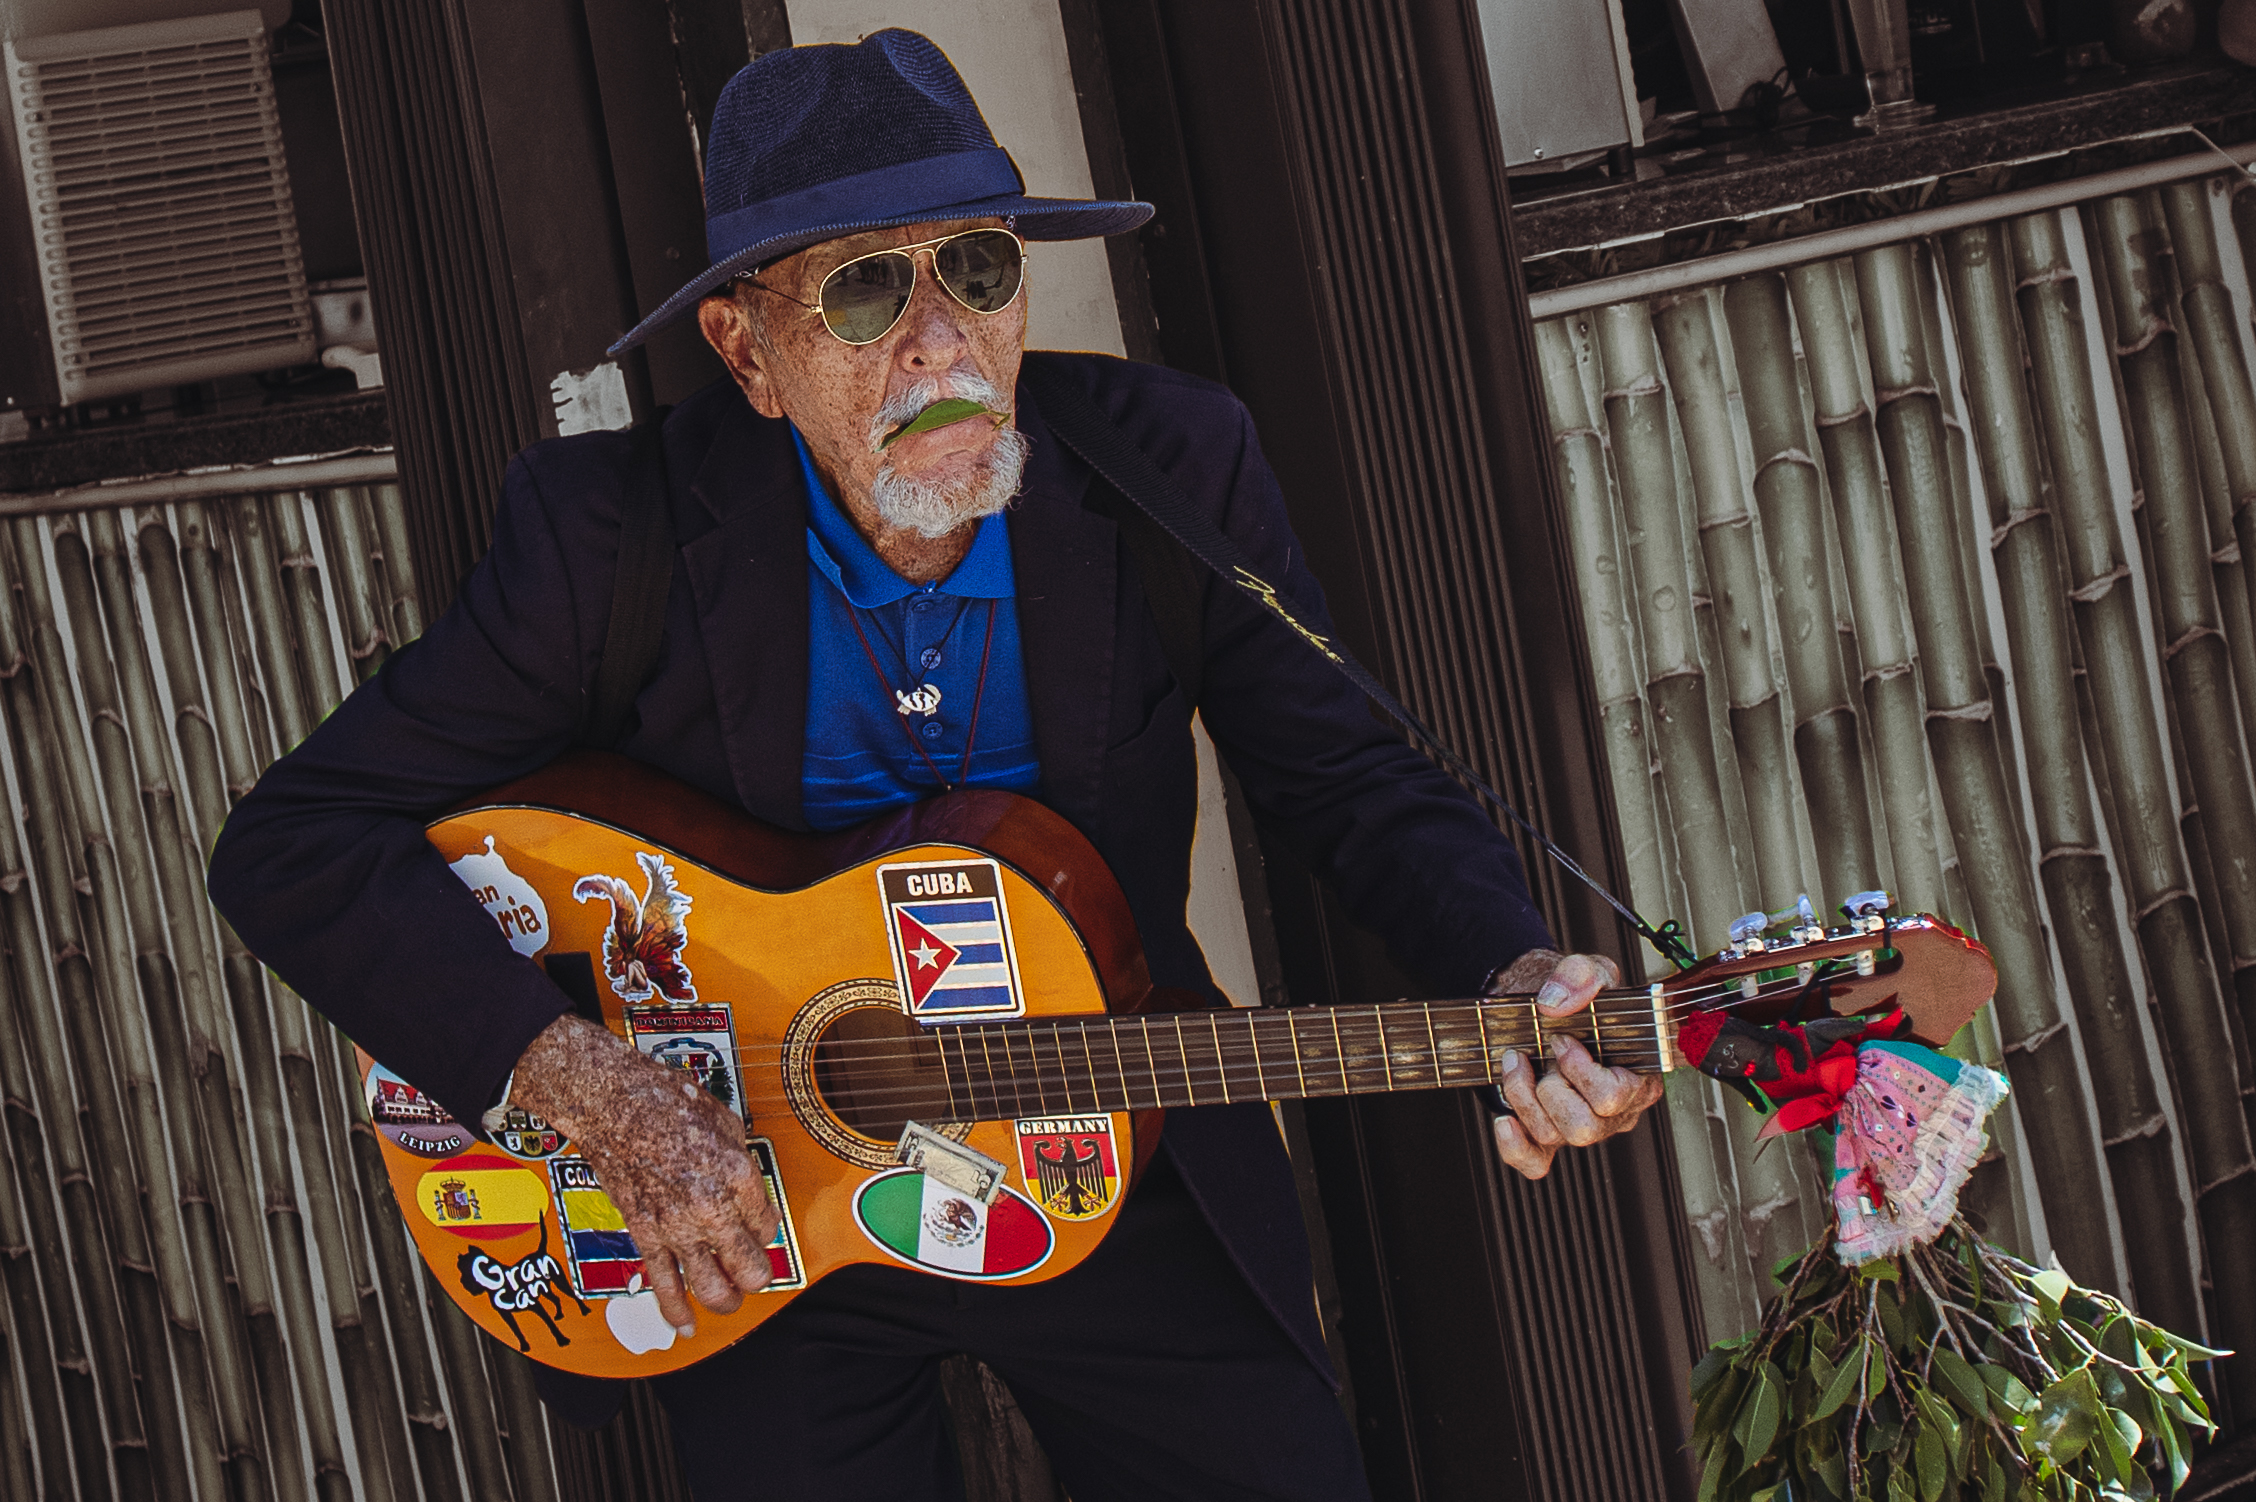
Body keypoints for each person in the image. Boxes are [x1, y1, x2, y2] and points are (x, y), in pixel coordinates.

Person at [207, 29, 1662, 1500]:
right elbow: (293, 841)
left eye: (975, 268)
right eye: (859, 289)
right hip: (757, 1194)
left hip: (1106, 1139)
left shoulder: (1171, 466)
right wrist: (585, 1083)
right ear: (745, 351)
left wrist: (1509, 967)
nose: (938, 340)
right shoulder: (607, 540)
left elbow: (1354, 781)